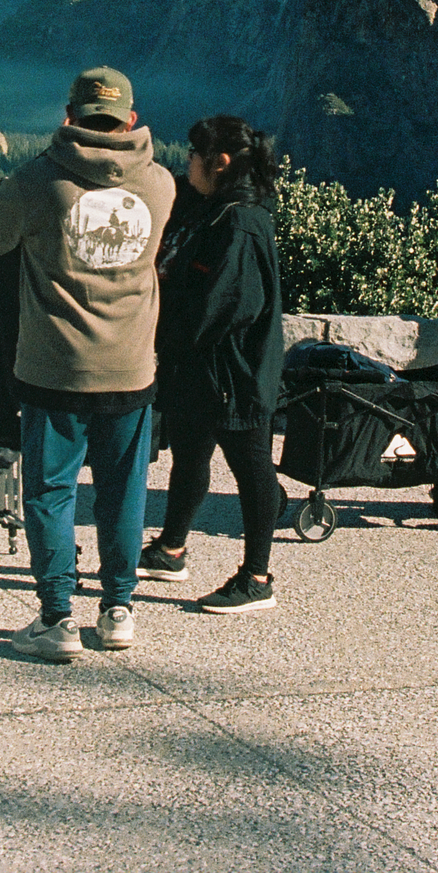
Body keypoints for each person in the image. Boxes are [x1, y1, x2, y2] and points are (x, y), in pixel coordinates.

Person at [0, 66, 176, 661]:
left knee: (51, 494)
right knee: (123, 492)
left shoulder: (40, 181)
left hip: (55, 369)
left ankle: (57, 618)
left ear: (70, 115)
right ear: (130, 120)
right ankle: (118, 610)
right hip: (132, 368)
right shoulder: (160, 184)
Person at [139, 116, 285, 614]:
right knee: (190, 453)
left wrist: (165, 336)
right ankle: (172, 549)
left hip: (234, 374)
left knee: (251, 467)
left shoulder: (240, 224)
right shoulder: (214, 208)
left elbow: (223, 307)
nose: (187, 165)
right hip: (201, 371)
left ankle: (257, 577)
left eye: (192, 157)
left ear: (219, 163)